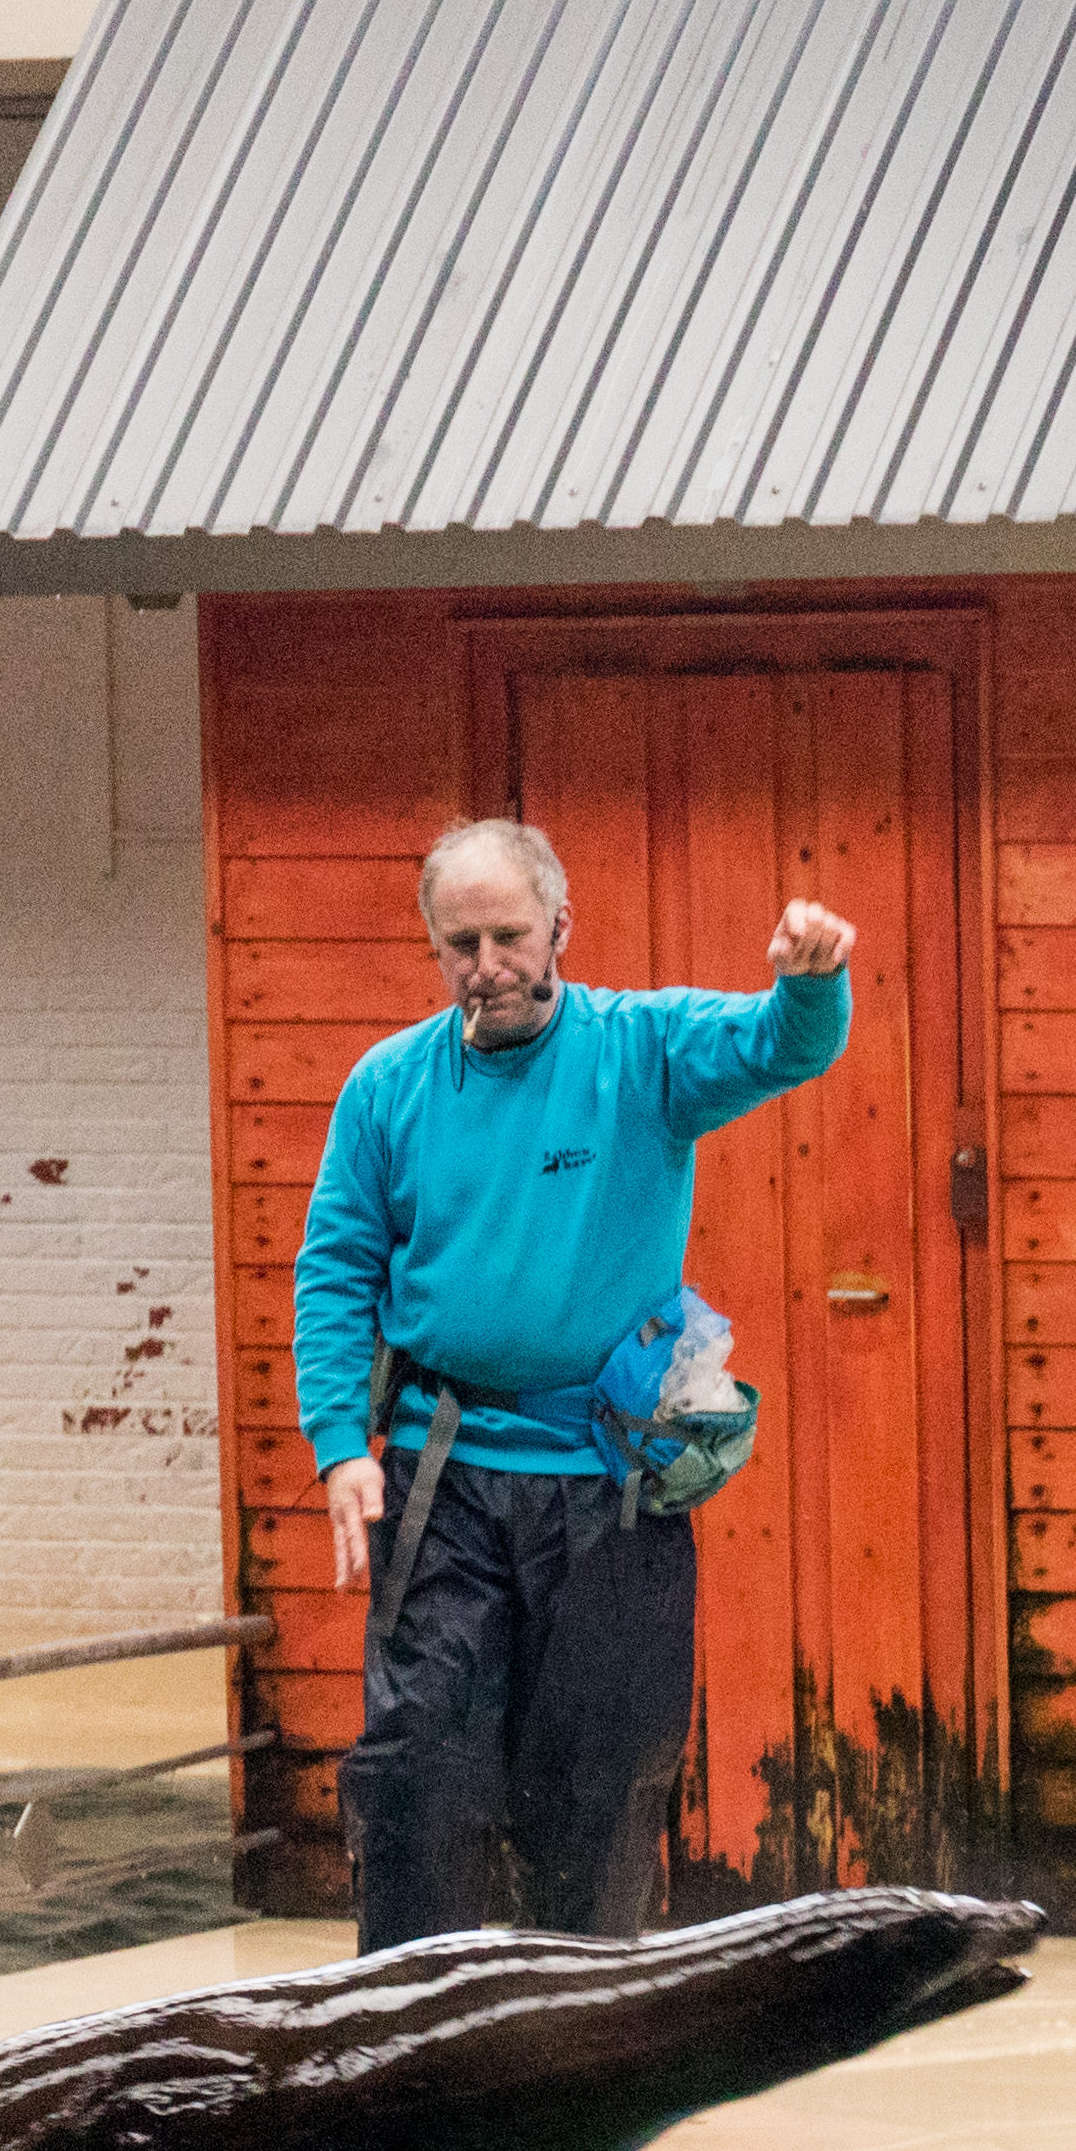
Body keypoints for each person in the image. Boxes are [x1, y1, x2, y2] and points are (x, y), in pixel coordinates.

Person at [298, 817, 855, 1951]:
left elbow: (780, 1046)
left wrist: (811, 982)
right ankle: (410, 2020)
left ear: (561, 925)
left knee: (599, 1790)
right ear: (433, 946)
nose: (486, 966)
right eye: (460, 944)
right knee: (419, 1780)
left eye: (509, 937)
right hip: (443, 1481)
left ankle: (580, 2018)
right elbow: (337, 1267)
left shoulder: (641, 1052)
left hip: (608, 1489)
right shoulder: (388, 1085)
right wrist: (341, 1446)